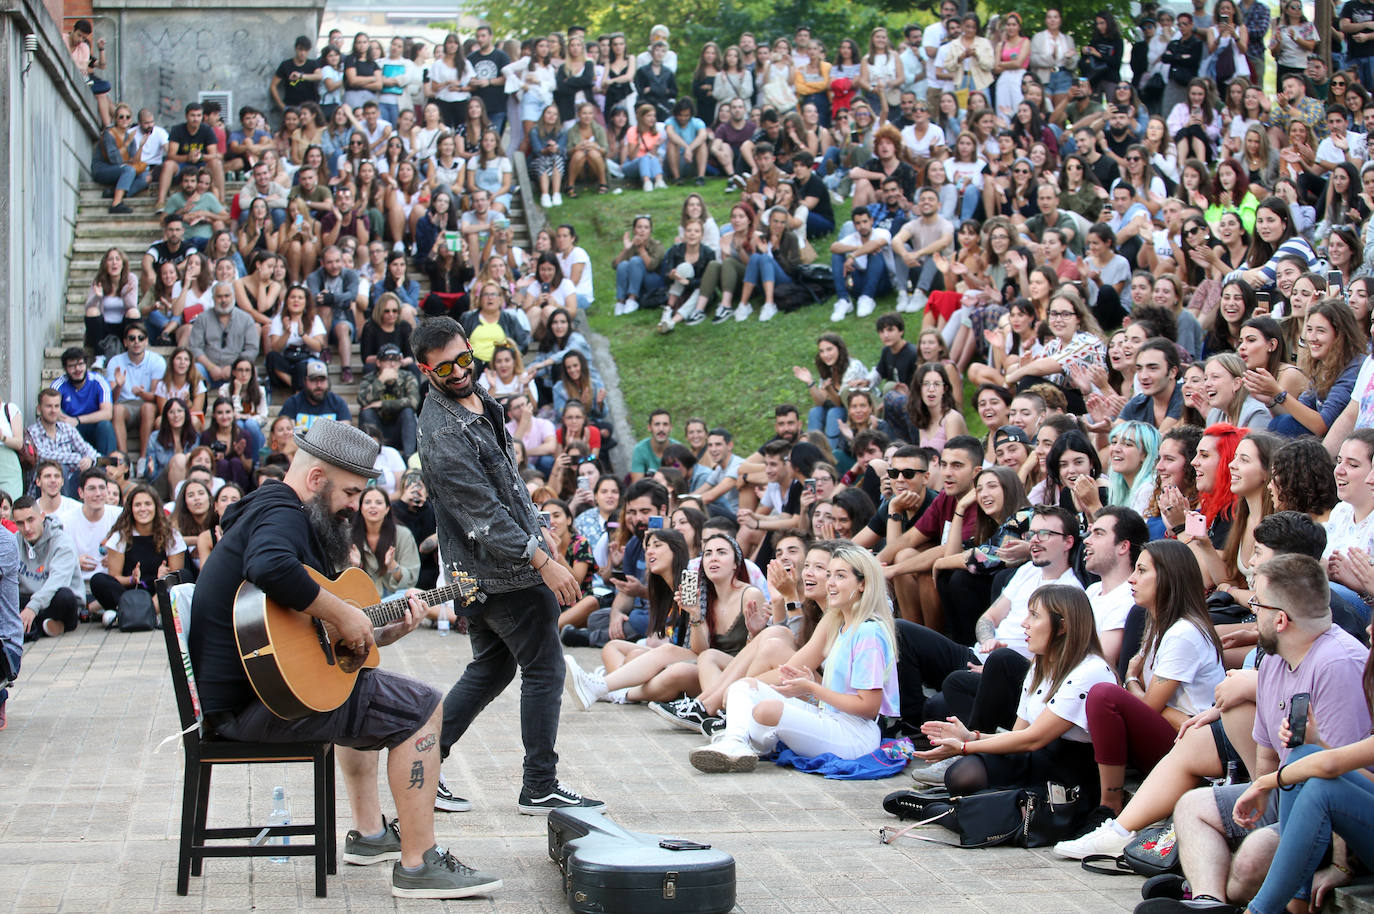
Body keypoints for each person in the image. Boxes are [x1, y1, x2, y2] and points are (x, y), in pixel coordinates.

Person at [189, 418, 500, 897]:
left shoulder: (273, 511)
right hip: (260, 708)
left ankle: (371, 835)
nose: (355, 507)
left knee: (362, 685)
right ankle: (419, 866)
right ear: (316, 480)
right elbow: (270, 566)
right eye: (351, 494)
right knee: (422, 709)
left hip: (255, 700)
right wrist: (345, 614)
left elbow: (317, 640)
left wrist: (383, 631)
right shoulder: (282, 513)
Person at [412, 317, 603, 817]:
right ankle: (540, 784)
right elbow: (483, 516)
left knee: (492, 668)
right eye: (444, 367)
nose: (458, 373)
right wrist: (541, 559)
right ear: (423, 368)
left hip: (504, 560)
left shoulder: (479, 399)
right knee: (545, 668)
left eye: (463, 360)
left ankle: (422, 767)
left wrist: (539, 528)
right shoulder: (440, 433)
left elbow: (509, 484)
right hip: (499, 571)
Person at [687, 542, 899, 772]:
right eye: (829, 575)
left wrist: (812, 688)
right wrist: (804, 684)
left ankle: (740, 741)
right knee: (743, 688)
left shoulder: (869, 632)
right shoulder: (836, 619)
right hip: (827, 716)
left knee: (766, 711)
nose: (830, 583)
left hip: (855, 735)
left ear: (862, 584)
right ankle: (735, 742)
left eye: (840, 576)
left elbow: (868, 707)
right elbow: (801, 668)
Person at [11, 497, 82, 642]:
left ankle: (30, 627)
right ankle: (43, 626)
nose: (27, 528)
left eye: (31, 520)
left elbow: (56, 582)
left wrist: (32, 608)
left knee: (65, 596)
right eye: (20, 523)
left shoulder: (62, 543)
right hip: (28, 599)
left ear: (42, 516)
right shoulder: (14, 541)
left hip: (54, 600)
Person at [186, 283, 260, 386]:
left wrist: (233, 367)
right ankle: (201, 400)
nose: (223, 300)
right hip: (209, 371)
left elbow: (252, 349)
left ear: (233, 296)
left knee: (249, 370)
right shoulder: (202, 319)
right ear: (213, 298)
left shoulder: (246, 319)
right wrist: (210, 367)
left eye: (226, 296)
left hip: (236, 370)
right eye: (219, 296)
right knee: (196, 369)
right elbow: (195, 347)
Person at [50, 347, 116, 456]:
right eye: (72, 366)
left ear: (86, 365)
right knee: (58, 417)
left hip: (94, 427)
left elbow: (107, 413)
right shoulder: (59, 384)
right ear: (65, 368)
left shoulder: (99, 381)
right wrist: (68, 420)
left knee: (105, 425)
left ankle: (108, 466)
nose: (77, 369)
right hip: (70, 429)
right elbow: (51, 408)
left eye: (81, 364)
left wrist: (77, 420)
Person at [359, 345, 420, 459]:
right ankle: (372, 455)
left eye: (396, 360)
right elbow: (362, 401)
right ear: (378, 363)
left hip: (400, 429)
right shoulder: (369, 379)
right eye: (387, 360)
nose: (392, 364)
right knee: (366, 413)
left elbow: (413, 402)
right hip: (377, 428)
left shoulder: (408, 377)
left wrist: (383, 404)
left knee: (408, 412)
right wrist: (380, 381)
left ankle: (409, 457)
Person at [280, 360, 352, 431]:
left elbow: (344, 433)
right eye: (313, 380)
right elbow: (287, 434)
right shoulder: (293, 403)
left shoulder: (338, 403)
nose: (319, 385)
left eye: (322, 380)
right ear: (305, 381)